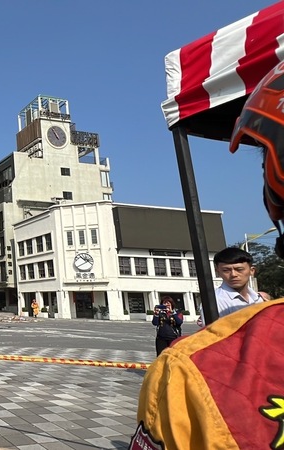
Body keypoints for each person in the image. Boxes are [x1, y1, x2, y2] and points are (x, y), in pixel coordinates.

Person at [132, 62, 284, 448]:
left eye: (240, 267)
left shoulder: (188, 372)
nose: (234, 274)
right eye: (227, 269)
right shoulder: (223, 313)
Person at [197, 247, 263, 326]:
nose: (233, 274)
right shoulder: (215, 301)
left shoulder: (258, 298)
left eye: (239, 269)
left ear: (252, 271)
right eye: (226, 270)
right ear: (218, 272)